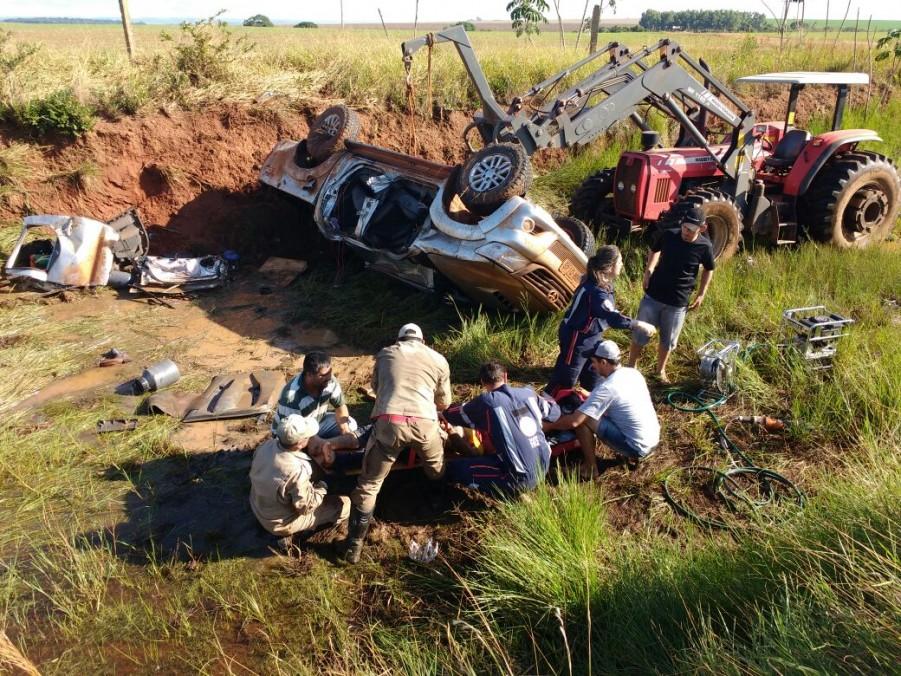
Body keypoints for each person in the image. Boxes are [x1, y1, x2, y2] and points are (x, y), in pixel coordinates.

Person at [342, 323, 452, 564]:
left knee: (370, 483)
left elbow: (376, 388)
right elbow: (444, 402)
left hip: (389, 423)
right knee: (436, 466)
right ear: (423, 341)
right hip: (424, 424)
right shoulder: (439, 359)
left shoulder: (385, 354)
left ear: (399, 339)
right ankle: (436, 501)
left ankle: (354, 545)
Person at [546, 245, 655, 395]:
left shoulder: (603, 283)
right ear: (610, 266)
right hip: (577, 337)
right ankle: (549, 405)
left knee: (593, 376)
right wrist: (638, 324)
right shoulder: (596, 292)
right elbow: (612, 317)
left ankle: (588, 404)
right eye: (620, 261)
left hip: (593, 336)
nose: (622, 264)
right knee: (567, 376)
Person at [440, 361, 561, 494]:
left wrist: (439, 412)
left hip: (519, 478)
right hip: (544, 465)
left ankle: (514, 493)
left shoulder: (485, 402)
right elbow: (555, 413)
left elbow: (450, 415)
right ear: (505, 376)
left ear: (482, 382)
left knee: (454, 468)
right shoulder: (528, 393)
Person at [544, 340, 659, 479]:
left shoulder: (607, 388)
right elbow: (621, 398)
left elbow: (574, 421)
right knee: (593, 413)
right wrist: (591, 396)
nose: (592, 366)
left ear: (604, 362)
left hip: (636, 446)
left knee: (583, 421)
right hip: (652, 438)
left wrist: (549, 426)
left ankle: (590, 469)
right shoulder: (633, 373)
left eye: (593, 362)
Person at [628, 205, 715, 383]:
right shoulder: (669, 235)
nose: (686, 232)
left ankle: (660, 371)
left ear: (702, 228)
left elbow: (709, 269)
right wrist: (648, 270)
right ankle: (630, 366)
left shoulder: (705, 247)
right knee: (640, 332)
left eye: (691, 230)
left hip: (678, 301)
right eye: (684, 227)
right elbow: (654, 249)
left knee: (668, 340)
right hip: (654, 294)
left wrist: (701, 293)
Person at [249, 414, 350, 549]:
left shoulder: (266, 445)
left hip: (258, 505)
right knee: (345, 505)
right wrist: (323, 486)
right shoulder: (296, 470)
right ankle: (296, 535)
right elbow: (306, 507)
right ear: (300, 443)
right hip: (278, 522)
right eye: (308, 437)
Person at [273, 351, 356, 440]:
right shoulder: (291, 398)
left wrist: (345, 432)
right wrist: (323, 444)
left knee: (350, 424)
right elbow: (291, 433)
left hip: (316, 423)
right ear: (309, 374)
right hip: (291, 434)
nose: (329, 377)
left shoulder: (329, 381)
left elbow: (340, 406)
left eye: (330, 372)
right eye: (323, 375)